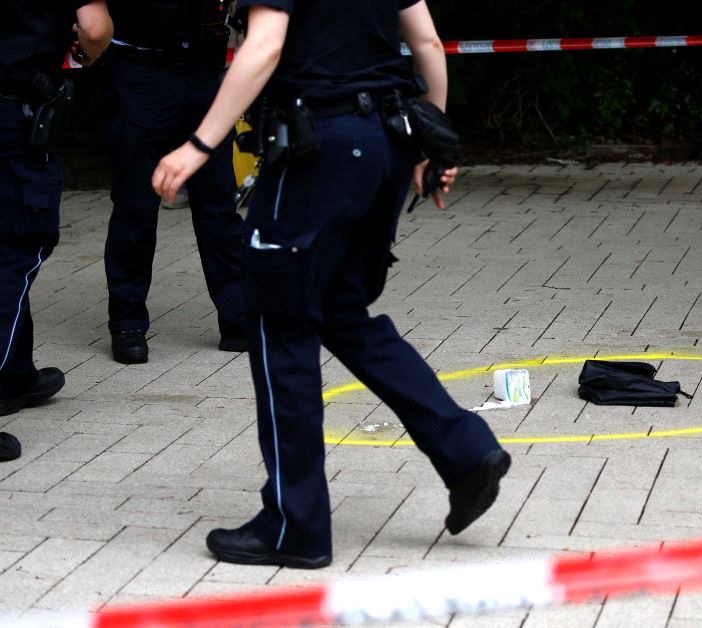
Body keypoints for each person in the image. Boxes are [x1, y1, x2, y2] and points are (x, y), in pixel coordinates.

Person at [152, 0, 510, 567]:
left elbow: (265, 45)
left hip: (317, 150)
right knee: (340, 310)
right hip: (385, 144)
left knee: (277, 325)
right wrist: (432, 139)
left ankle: (296, 527)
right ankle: (467, 452)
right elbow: (428, 44)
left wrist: (200, 145)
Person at [100, 0, 247, 365]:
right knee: (136, 205)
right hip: (140, 67)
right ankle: (128, 322)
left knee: (218, 204)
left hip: (203, 68)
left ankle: (239, 319)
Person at [1, 0, 112, 460]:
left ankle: (14, 375)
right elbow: (94, 27)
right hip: (12, 114)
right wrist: (88, 50)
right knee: (14, 254)